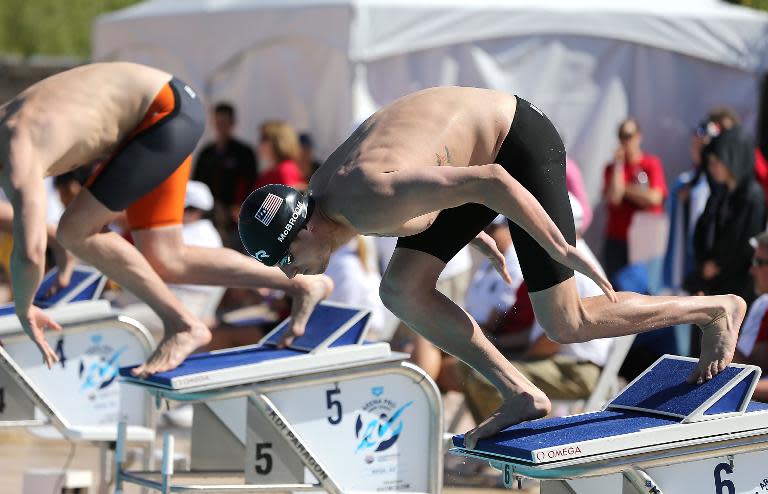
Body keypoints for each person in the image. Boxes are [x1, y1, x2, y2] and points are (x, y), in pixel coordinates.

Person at [238, 86, 745, 449]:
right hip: (475, 153)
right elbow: (427, 182)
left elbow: (491, 179)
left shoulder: (367, 197)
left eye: (286, 260)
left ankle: (715, 309)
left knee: (567, 321)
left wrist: (558, 246)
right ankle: (521, 391)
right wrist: (472, 232)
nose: (288, 274)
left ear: (304, 231)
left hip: (516, 143)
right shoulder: (330, 196)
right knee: (401, 289)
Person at [0, 62, 331, 377]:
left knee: (75, 229)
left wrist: (24, 310)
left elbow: (29, 252)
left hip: (162, 111)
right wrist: (60, 249)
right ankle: (302, 283)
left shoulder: (17, 148)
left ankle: (183, 324)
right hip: (167, 109)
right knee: (165, 258)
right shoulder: (9, 127)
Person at [685, 127, 766, 305]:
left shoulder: (752, 196)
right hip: (710, 283)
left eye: (717, 162)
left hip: (735, 287)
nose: (712, 168)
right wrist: (704, 264)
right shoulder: (719, 194)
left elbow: (746, 243)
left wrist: (718, 265)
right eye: (710, 163)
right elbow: (701, 230)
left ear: (732, 160)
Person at [602, 118, 668, 281]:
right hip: (618, 239)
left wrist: (625, 188)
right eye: (621, 136)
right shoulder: (612, 169)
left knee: (646, 290)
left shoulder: (651, 164)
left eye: (629, 135)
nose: (625, 141)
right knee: (617, 289)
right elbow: (615, 198)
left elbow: (654, 198)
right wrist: (618, 165)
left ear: (639, 136)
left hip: (645, 240)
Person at [193, 102, 258, 245]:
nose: (221, 126)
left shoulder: (244, 153)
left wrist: (239, 207)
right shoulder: (206, 153)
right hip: (209, 214)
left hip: (236, 217)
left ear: (232, 123)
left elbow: (251, 182)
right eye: (218, 122)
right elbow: (197, 183)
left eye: (224, 122)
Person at [254, 121, 305, 189]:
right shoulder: (270, 172)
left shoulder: (285, 170)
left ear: (278, 142)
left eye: (264, 139)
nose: (260, 144)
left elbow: (288, 196)